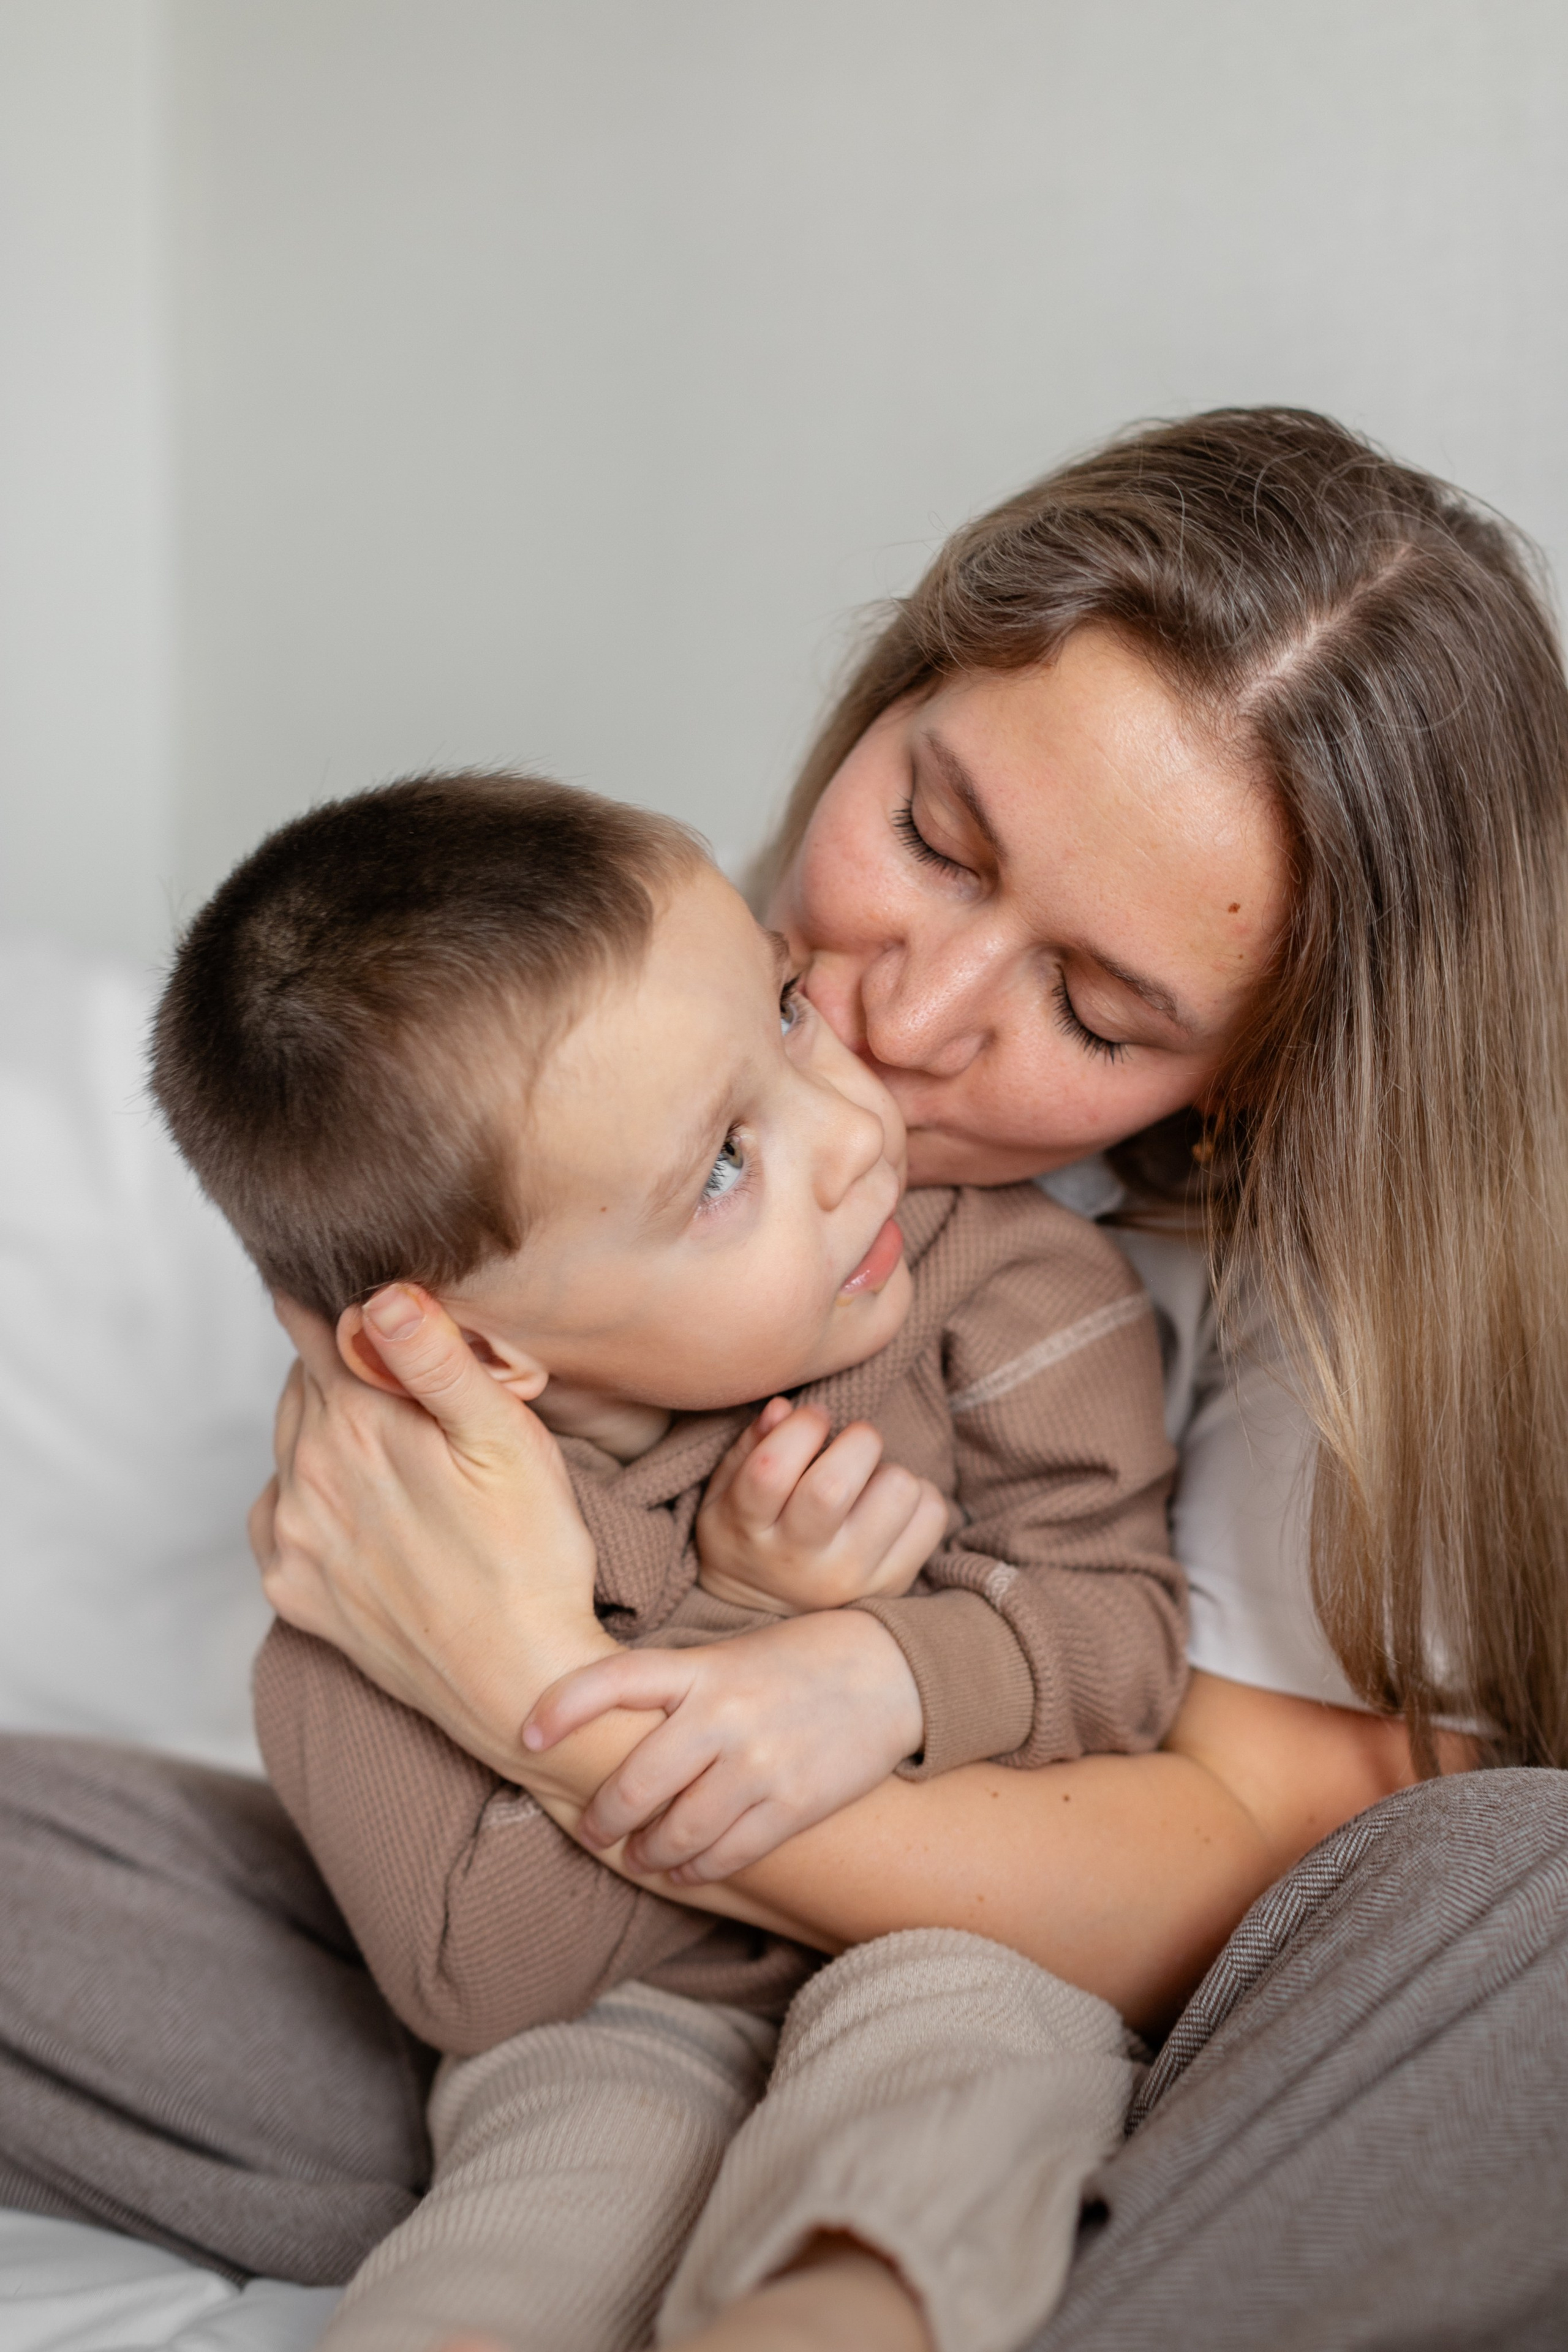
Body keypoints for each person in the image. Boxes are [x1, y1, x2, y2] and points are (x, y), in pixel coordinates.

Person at [6, 406, 1568, 2346]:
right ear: (894, 688)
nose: (904, 1014)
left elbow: (1234, 1856)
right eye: (931, 836)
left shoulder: (1265, 1294)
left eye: (1093, 1012)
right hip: (565, 1990)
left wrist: (550, 1696)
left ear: (1269, 1066)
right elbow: (444, 1856)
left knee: (1522, 1892)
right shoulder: (683, 1008)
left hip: (1091, 2011)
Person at [147, 764, 1183, 2352]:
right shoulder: (377, 1559)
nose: (852, 1132)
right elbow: (479, 1974)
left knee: (947, 2097)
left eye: (784, 1010)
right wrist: (735, 1616)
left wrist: (881, 1666)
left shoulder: (1003, 1286)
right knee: (531, 2207)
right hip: (618, 2020)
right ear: (471, 1350)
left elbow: (1120, 1646)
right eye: (721, 1171)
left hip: (961, 1938)